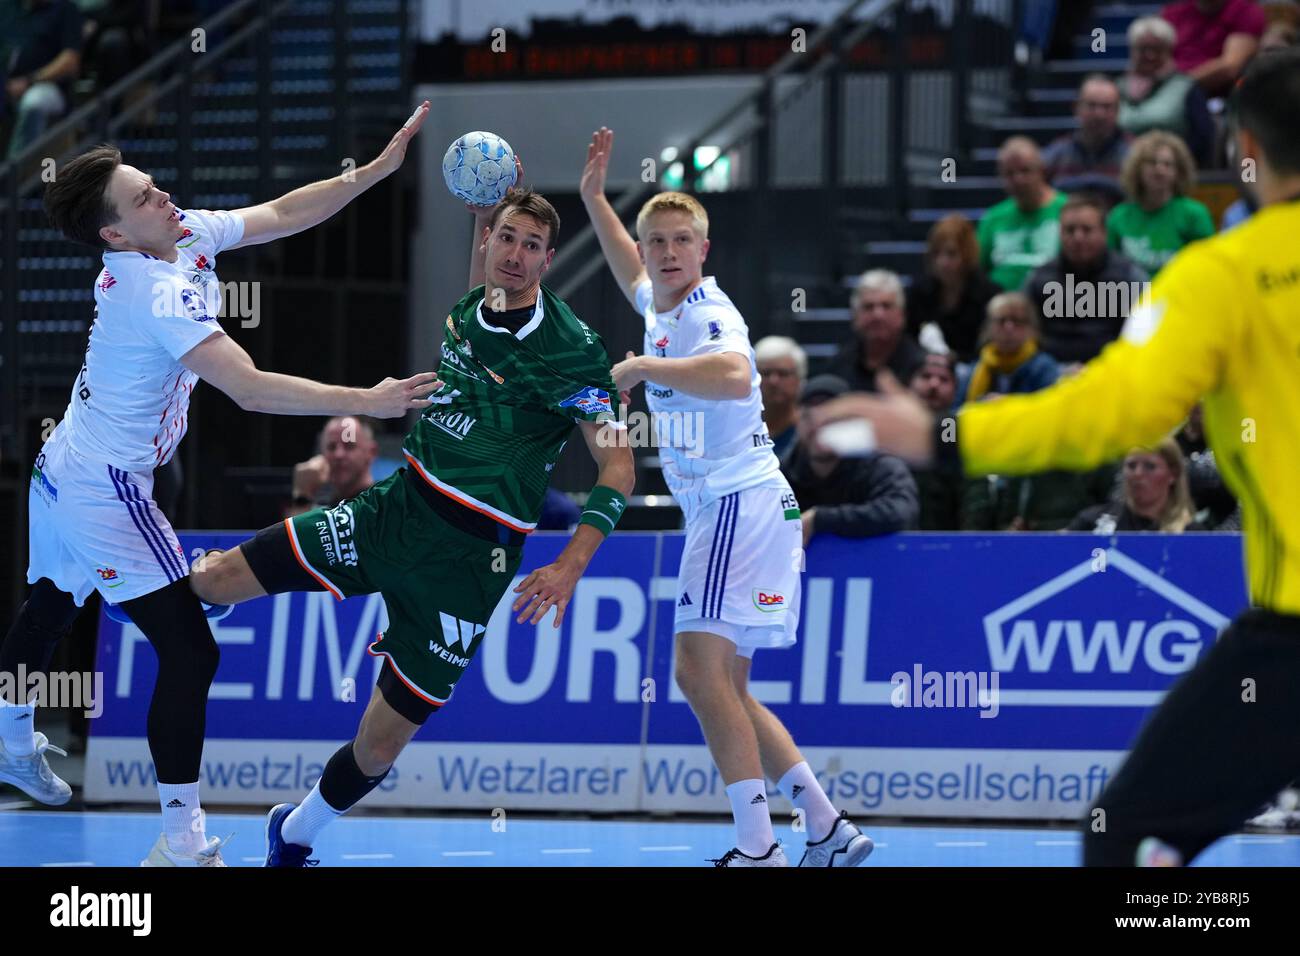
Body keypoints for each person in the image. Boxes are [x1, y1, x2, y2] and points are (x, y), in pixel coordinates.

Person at [810, 49, 1300, 867]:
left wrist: (945, 435)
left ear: (1242, 146)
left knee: (1128, 838)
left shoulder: (1227, 275)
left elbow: (1114, 409)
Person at [0, 104, 437, 866]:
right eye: (143, 199)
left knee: (53, 602)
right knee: (190, 654)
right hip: (104, 485)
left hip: (69, 460)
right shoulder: (151, 291)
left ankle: (8, 739)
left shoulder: (179, 234)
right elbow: (251, 389)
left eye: (154, 186)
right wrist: (368, 400)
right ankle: (182, 844)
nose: (162, 199)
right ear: (114, 236)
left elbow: (279, 213)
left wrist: (369, 174)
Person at [192, 185, 636, 867]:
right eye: (506, 238)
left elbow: (618, 467)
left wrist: (570, 564)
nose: (515, 255)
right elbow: (478, 320)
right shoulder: (468, 309)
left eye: (532, 246)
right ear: (488, 240)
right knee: (215, 581)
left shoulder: (572, 350)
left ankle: (297, 830)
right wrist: (481, 211)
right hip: (395, 511)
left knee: (379, 743)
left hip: (470, 566)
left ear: (549, 260)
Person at [581, 127, 873, 867]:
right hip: (748, 506)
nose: (669, 252)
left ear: (703, 250)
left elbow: (737, 377)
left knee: (693, 670)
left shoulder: (709, 315)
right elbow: (626, 272)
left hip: (734, 504)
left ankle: (757, 849)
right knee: (729, 689)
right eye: (658, 242)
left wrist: (645, 367)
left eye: (683, 240)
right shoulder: (659, 302)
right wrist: (592, 199)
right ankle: (828, 827)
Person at [779, 375, 918, 546]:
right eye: (808, 417)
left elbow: (900, 513)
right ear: (797, 421)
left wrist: (820, 519)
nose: (817, 427)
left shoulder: (879, 465)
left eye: (830, 418)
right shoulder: (780, 474)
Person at [1023, 194, 1150, 364]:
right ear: (1060, 234)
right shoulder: (1039, 278)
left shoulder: (1131, 278)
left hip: (1112, 374)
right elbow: (1024, 335)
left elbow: (1145, 338)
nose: (1078, 238)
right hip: (1050, 375)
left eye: (1087, 229)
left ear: (1104, 233)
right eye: (1070, 230)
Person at [1107, 131, 1214, 277]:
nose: (1160, 170)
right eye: (1152, 163)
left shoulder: (1194, 214)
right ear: (1137, 169)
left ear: (1178, 172)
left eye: (1168, 164)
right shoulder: (1119, 216)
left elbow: (1207, 267)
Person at [1119, 16, 1215, 165]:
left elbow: (1203, 137)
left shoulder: (1187, 87)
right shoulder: (1116, 88)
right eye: (1143, 49)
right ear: (1132, 50)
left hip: (1172, 171)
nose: (1150, 55)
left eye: (1157, 49)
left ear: (1169, 51)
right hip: (1121, 169)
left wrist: (1171, 162)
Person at [905, 214, 1000, 363]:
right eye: (936, 254)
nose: (942, 262)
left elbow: (991, 348)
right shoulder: (919, 292)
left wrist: (954, 359)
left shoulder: (989, 294)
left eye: (951, 254)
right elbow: (908, 339)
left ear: (967, 255)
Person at [977, 137, 1067, 291]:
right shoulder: (993, 217)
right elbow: (977, 269)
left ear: (1041, 170)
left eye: (1025, 170)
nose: (1018, 179)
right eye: (1009, 174)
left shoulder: (1067, 210)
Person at [0, 0, 82, 160]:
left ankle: (14, 172)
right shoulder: (7, 7)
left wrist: (30, 81)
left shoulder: (65, 8)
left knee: (34, 103)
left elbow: (70, 61)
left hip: (46, 85)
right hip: (6, 83)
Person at [1067, 439, 1201, 532]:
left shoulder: (1191, 535)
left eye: (1150, 466)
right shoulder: (1091, 523)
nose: (1137, 474)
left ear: (1173, 474)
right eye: (1131, 466)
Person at [1040, 74, 1133, 204]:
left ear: (1118, 111)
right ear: (1076, 108)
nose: (1099, 114)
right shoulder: (1055, 155)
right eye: (1091, 105)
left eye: (1106, 106)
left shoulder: (1134, 154)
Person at [830, 269, 926, 393]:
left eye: (886, 306)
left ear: (902, 315)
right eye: (868, 307)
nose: (878, 315)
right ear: (855, 316)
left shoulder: (923, 368)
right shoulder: (838, 365)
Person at [1161, 0, 1267, 96]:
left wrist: (1179, 87)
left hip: (1217, 96)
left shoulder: (1245, 12)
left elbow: (1230, 67)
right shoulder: (1173, 13)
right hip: (1169, 90)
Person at [287, 416, 380, 517]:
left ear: (371, 452)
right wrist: (303, 494)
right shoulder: (322, 507)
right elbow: (298, 532)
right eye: (331, 447)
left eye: (349, 446)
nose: (338, 455)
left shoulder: (384, 503)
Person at [754, 336, 806, 459]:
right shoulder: (739, 431)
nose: (773, 381)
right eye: (765, 373)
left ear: (799, 379)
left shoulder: (810, 433)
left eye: (783, 373)